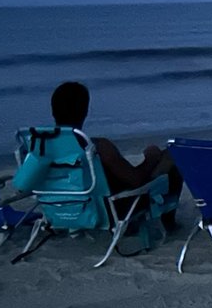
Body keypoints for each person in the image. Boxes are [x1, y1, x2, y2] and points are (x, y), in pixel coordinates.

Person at [10, 81, 184, 227]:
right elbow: (136, 180)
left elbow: (25, 184)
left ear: (53, 111)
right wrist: (150, 158)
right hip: (109, 209)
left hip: (59, 209)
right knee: (171, 155)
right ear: (85, 111)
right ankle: (169, 224)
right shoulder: (96, 146)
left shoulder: (39, 146)